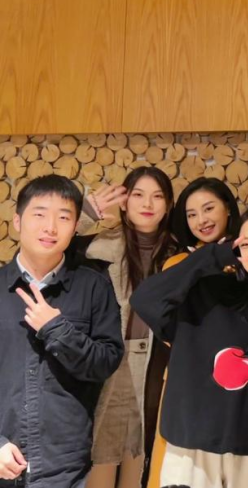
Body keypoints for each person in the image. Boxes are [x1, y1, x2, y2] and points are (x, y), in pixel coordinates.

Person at [130, 205, 248, 488]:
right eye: (246, 244)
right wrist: (215, 254)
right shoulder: (211, 293)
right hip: (191, 450)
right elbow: (145, 300)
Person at [0, 175, 123, 486]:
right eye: (39, 214)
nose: (51, 227)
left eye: (64, 217)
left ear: (76, 226)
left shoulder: (94, 286)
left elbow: (105, 363)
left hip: (63, 466)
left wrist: (56, 329)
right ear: (18, 221)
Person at [138, 176, 243, 488]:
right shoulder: (180, 263)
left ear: (228, 208)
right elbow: (154, 310)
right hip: (190, 383)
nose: (201, 220)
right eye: (192, 214)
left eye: (209, 209)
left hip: (242, 384)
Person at [83, 168, 176, 488]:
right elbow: (50, 249)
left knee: (142, 452)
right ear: (124, 202)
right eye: (138, 195)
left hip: (157, 364)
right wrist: (86, 213)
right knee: (100, 450)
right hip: (108, 360)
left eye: (158, 196)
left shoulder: (178, 253)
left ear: (169, 204)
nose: (147, 204)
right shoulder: (97, 248)